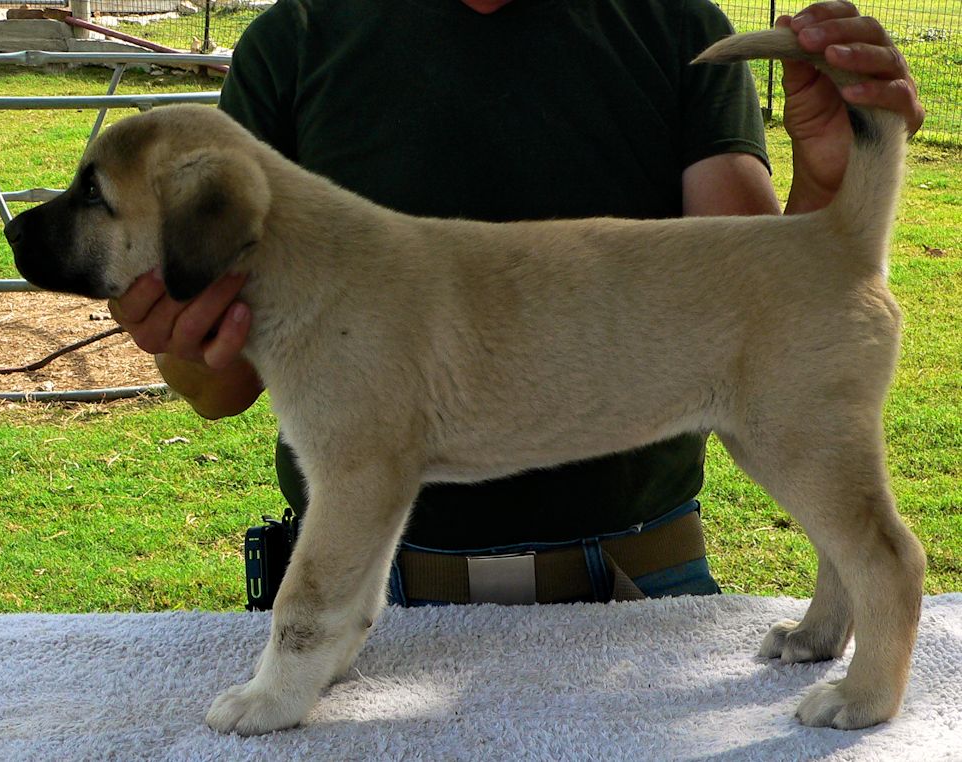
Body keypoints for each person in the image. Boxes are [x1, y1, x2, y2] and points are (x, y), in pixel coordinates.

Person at [109, 0, 923, 606]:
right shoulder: (295, 43)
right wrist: (175, 325)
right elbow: (218, 386)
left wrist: (829, 174)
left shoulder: (671, 23)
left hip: (637, 582)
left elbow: (743, 303)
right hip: (373, 585)